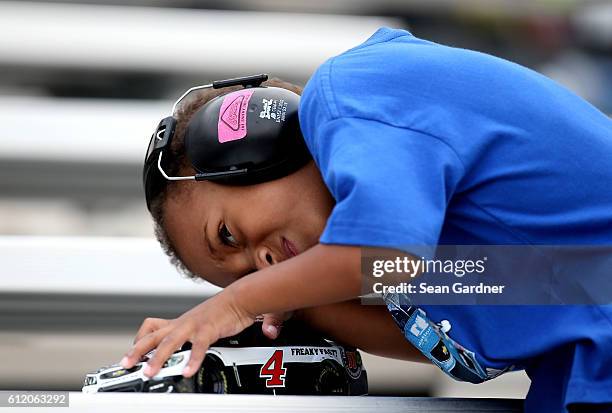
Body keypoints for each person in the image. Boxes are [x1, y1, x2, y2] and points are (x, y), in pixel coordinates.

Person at [121, 27, 612, 412]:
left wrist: (237, 303)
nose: (266, 266)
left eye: (227, 236)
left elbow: (389, 257)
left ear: (253, 143)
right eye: (251, 275)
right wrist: (299, 309)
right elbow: (443, 336)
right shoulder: (424, 228)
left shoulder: (352, 93)